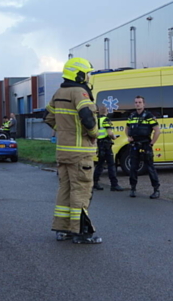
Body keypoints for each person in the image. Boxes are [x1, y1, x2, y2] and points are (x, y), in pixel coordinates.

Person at [45, 57, 102, 244]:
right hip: (81, 152)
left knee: (65, 190)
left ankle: (63, 229)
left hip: (63, 152)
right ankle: (81, 232)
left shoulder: (59, 92)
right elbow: (87, 116)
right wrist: (94, 133)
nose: (88, 77)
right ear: (78, 74)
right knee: (81, 191)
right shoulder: (80, 92)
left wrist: (63, 130)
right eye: (86, 74)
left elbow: (48, 117)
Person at [125, 95, 161, 199]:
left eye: (140, 102)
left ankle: (156, 190)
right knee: (133, 168)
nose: (138, 104)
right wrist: (129, 137)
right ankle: (133, 189)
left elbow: (157, 131)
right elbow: (126, 128)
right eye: (136, 102)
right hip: (134, 145)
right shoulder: (132, 116)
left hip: (145, 145)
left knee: (150, 168)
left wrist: (151, 143)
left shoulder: (149, 116)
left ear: (143, 104)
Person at [92, 104, 124, 192]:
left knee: (100, 164)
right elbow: (109, 133)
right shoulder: (106, 120)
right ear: (106, 111)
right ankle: (114, 184)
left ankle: (95, 182)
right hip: (106, 145)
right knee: (111, 164)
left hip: (100, 144)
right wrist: (114, 137)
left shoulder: (97, 120)